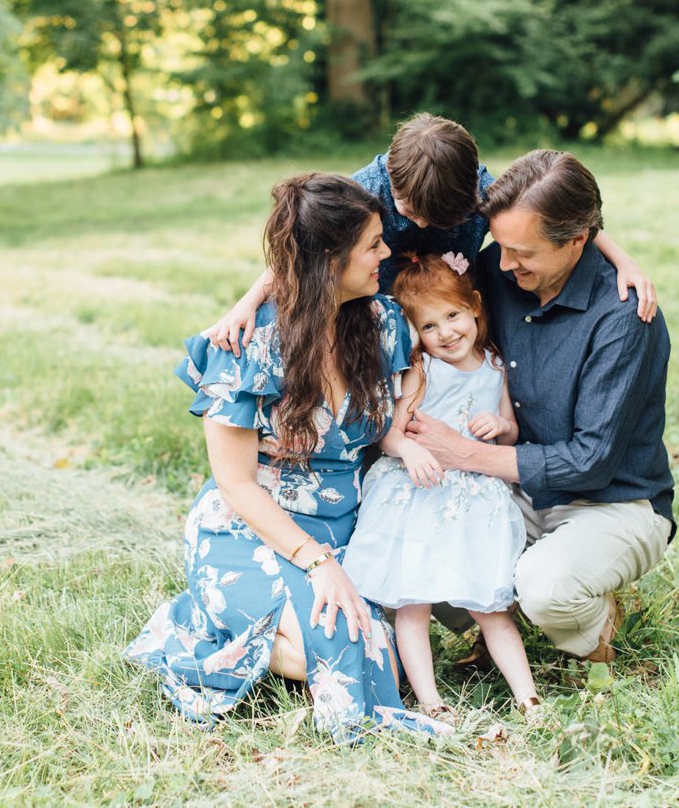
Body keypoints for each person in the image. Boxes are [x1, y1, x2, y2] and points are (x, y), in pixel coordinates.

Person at [126, 173, 447, 742]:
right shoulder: (247, 344)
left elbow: (419, 377)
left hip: (347, 522)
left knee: (383, 658)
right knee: (347, 646)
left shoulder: (381, 324)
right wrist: (317, 564)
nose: (386, 254)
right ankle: (208, 614)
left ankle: (234, 620)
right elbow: (236, 485)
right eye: (373, 245)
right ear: (328, 260)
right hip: (253, 523)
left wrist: (416, 400)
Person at [405, 149, 675, 665]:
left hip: (615, 502)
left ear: (578, 240)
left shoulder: (624, 317)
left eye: (522, 252)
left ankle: (593, 632)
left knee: (546, 586)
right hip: (520, 489)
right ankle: (507, 617)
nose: (504, 263)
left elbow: (591, 460)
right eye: (500, 247)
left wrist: (464, 453)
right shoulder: (498, 269)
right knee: (418, 547)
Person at [207, 113, 657, 355]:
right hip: (378, 311)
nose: (421, 226)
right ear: (391, 178)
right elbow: (306, 250)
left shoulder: (479, 188)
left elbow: (554, 214)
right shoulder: (365, 191)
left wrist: (623, 259)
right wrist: (246, 302)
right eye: (409, 212)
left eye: (438, 219)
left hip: (453, 311)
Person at [341, 252, 539, 726]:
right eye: (430, 326)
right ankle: (430, 700)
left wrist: (498, 425)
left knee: (490, 605)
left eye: (452, 316)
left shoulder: (495, 363)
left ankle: (528, 699)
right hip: (418, 493)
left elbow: (511, 430)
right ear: (415, 333)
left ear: (473, 306)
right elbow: (389, 431)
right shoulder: (422, 370)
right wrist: (409, 452)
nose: (446, 333)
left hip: (472, 499)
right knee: (412, 603)